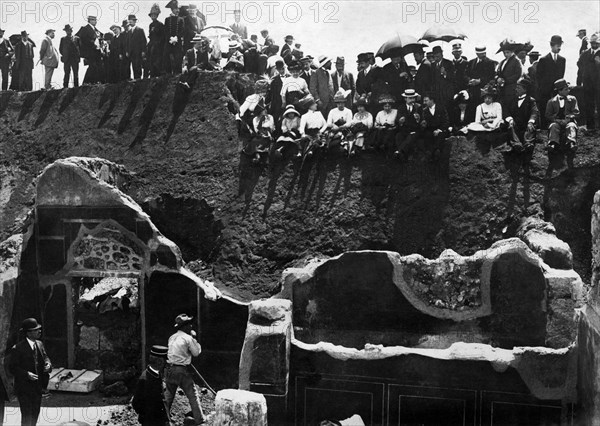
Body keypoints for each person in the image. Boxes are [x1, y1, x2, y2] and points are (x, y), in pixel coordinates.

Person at [9, 318, 52, 426]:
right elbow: (12, 368)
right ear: (28, 333)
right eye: (36, 330)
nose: (39, 331)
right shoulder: (17, 348)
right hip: (24, 388)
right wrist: (26, 374)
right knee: (27, 416)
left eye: (39, 329)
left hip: (37, 387)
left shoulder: (40, 344)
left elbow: (46, 357)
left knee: (35, 414)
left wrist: (48, 364)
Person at [164, 314, 205, 425]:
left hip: (169, 369)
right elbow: (196, 353)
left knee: (168, 395)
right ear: (185, 326)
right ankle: (199, 420)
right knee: (193, 394)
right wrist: (194, 338)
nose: (191, 326)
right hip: (181, 370)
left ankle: (163, 420)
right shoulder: (188, 338)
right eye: (189, 324)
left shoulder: (172, 337)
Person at [132, 345, 169, 426]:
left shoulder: (157, 374)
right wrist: (148, 417)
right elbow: (136, 403)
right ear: (160, 361)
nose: (166, 364)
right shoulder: (145, 379)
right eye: (165, 361)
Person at [504, 77, 539, 155]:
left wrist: (531, 121)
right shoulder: (513, 100)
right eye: (516, 87)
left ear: (525, 89)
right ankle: (517, 144)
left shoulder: (531, 100)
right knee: (511, 126)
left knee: (530, 128)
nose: (516, 89)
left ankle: (528, 144)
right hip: (515, 123)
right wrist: (510, 119)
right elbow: (506, 111)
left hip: (526, 123)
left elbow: (534, 112)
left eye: (518, 88)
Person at [537, 35, 566, 126]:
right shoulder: (543, 60)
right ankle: (544, 127)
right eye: (557, 45)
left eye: (560, 45)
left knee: (557, 108)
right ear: (552, 45)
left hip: (557, 90)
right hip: (545, 91)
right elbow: (539, 76)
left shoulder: (562, 60)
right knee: (545, 108)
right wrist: (543, 88)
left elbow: (561, 75)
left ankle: (556, 125)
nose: (559, 48)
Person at [545, 78, 580, 154]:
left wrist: (569, 118)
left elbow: (576, 112)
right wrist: (556, 120)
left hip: (569, 121)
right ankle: (552, 144)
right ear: (559, 91)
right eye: (566, 89)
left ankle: (572, 143)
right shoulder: (551, 101)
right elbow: (548, 115)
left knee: (571, 126)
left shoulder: (572, 99)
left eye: (568, 89)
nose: (568, 91)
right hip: (556, 121)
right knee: (553, 127)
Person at [577, 33, 600, 130]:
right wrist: (579, 81)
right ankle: (590, 126)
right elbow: (580, 67)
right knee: (588, 104)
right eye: (592, 43)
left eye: (596, 43)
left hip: (599, 84)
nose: (594, 45)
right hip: (587, 84)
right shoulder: (585, 54)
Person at [420, 93, 450, 160]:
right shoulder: (424, 111)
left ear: (432, 100)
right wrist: (423, 125)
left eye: (426, 100)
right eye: (424, 101)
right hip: (430, 130)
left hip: (441, 129)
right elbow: (425, 125)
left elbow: (446, 121)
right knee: (427, 135)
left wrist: (439, 130)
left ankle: (434, 152)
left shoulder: (441, 108)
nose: (424, 102)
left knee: (440, 135)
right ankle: (431, 153)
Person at [394, 89, 422, 160]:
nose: (412, 100)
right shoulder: (401, 108)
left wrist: (418, 119)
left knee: (411, 136)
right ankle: (402, 155)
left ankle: (399, 151)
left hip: (415, 129)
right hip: (404, 129)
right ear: (405, 99)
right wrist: (400, 121)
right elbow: (397, 121)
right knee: (399, 136)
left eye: (413, 98)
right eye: (410, 98)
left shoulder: (418, 107)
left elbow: (422, 121)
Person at [496, 40, 522, 109]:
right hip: (502, 89)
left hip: (511, 88)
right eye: (504, 53)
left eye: (508, 52)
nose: (506, 54)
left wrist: (505, 81)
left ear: (512, 52)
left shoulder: (516, 61)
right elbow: (497, 73)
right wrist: (498, 78)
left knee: (510, 106)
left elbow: (517, 74)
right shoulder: (502, 62)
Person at [76, 16, 104, 84]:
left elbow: (101, 36)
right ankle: (88, 82)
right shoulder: (85, 29)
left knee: (97, 65)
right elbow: (83, 39)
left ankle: (94, 81)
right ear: (89, 21)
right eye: (94, 20)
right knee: (92, 66)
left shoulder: (96, 30)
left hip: (97, 51)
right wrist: (93, 44)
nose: (95, 21)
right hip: (90, 51)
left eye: (95, 20)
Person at [248, 99, 275, 164]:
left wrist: (265, 127)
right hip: (260, 134)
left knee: (269, 143)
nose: (265, 111)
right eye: (263, 110)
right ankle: (257, 156)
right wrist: (261, 122)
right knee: (255, 142)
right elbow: (256, 128)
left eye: (265, 109)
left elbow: (271, 126)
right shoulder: (255, 119)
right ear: (259, 111)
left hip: (268, 133)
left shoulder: (270, 117)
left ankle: (266, 158)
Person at [163, 0, 185, 75]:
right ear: (172, 10)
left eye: (178, 9)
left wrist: (176, 38)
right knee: (167, 57)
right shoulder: (167, 19)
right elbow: (165, 31)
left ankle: (178, 74)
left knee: (178, 57)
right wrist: (170, 38)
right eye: (176, 9)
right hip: (169, 42)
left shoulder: (181, 19)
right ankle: (168, 73)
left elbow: (182, 30)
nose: (177, 10)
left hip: (177, 41)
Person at [431, 45, 455, 110]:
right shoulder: (432, 65)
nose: (436, 58)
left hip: (446, 94)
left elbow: (453, 78)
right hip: (436, 94)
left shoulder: (449, 63)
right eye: (435, 56)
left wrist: (445, 74)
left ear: (442, 54)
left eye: (438, 56)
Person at [126, 15, 147, 79]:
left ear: (135, 21)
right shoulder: (129, 32)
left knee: (138, 66)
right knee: (133, 66)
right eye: (129, 20)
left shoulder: (140, 30)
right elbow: (128, 43)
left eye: (132, 20)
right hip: (131, 53)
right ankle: (135, 79)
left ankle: (138, 79)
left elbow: (144, 41)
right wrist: (127, 51)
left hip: (138, 52)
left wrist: (143, 51)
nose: (130, 22)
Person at [148, 3, 166, 77]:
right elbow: (151, 35)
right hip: (152, 44)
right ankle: (152, 73)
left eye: (154, 15)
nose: (153, 17)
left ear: (157, 15)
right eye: (152, 15)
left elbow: (163, 36)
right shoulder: (151, 25)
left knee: (158, 60)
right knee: (151, 59)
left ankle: (159, 74)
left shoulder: (160, 24)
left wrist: (158, 43)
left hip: (159, 45)